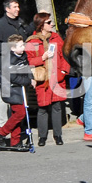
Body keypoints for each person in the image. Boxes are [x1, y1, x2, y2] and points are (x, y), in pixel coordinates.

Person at [25, 12, 69, 146]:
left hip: (57, 78)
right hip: (43, 79)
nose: (52, 24)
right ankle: (42, 137)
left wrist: (63, 71)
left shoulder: (56, 38)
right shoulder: (32, 41)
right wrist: (42, 58)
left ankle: (58, 135)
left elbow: (64, 56)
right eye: (49, 22)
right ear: (41, 25)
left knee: (57, 107)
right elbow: (29, 61)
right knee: (42, 108)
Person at [0, 0, 33, 128]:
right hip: (5, 64)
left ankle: (18, 122)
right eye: (14, 7)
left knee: (19, 93)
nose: (17, 9)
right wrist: (11, 50)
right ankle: (3, 124)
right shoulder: (0, 25)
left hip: (20, 64)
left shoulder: (20, 23)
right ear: (7, 9)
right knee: (5, 94)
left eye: (18, 6)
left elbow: (26, 36)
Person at [0, 34, 33, 149]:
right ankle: (1, 132)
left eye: (23, 45)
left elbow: (27, 68)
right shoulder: (7, 60)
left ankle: (15, 141)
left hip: (19, 88)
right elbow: (13, 77)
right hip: (10, 89)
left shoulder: (22, 56)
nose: (23, 48)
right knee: (20, 113)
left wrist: (31, 77)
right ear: (13, 48)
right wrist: (28, 81)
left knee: (17, 115)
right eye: (20, 46)